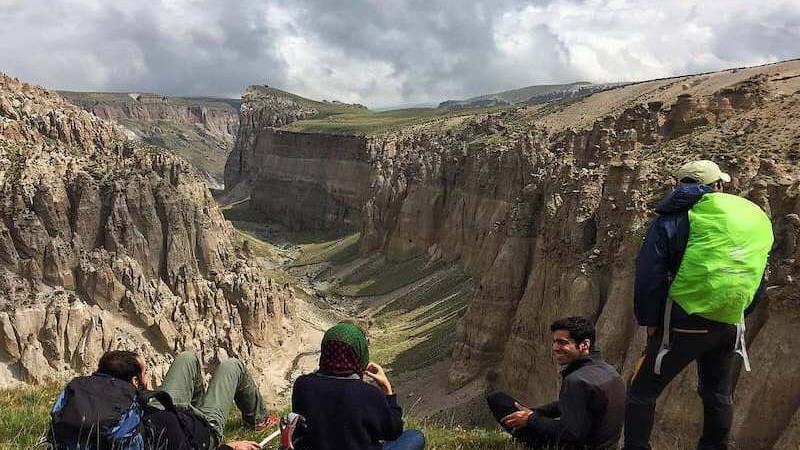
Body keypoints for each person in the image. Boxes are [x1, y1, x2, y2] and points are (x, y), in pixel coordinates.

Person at [624, 160, 773, 450]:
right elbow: (755, 270)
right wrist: (742, 311)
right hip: (730, 322)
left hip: (684, 323)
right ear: (718, 185)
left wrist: (650, 319)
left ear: (680, 185)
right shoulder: (748, 220)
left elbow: (649, 273)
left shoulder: (674, 219)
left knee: (641, 391)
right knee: (717, 393)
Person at [50, 350, 276, 450]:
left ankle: (197, 404)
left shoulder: (91, 402)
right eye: (145, 372)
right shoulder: (160, 430)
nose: (149, 376)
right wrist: (229, 447)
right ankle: (258, 420)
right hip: (200, 431)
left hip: (156, 410)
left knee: (187, 358)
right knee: (231, 366)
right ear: (135, 381)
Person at [487, 316, 626, 449]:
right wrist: (536, 412)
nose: (555, 348)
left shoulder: (577, 380)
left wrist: (530, 419)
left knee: (497, 400)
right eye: (554, 342)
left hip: (578, 446)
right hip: (605, 445)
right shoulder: (609, 371)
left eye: (562, 342)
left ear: (584, 345)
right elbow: (575, 404)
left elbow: (570, 433)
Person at [291, 321, 426, 450]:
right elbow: (393, 431)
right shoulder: (368, 394)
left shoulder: (302, 385)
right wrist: (387, 389)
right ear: (360, 354)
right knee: (415, 436)